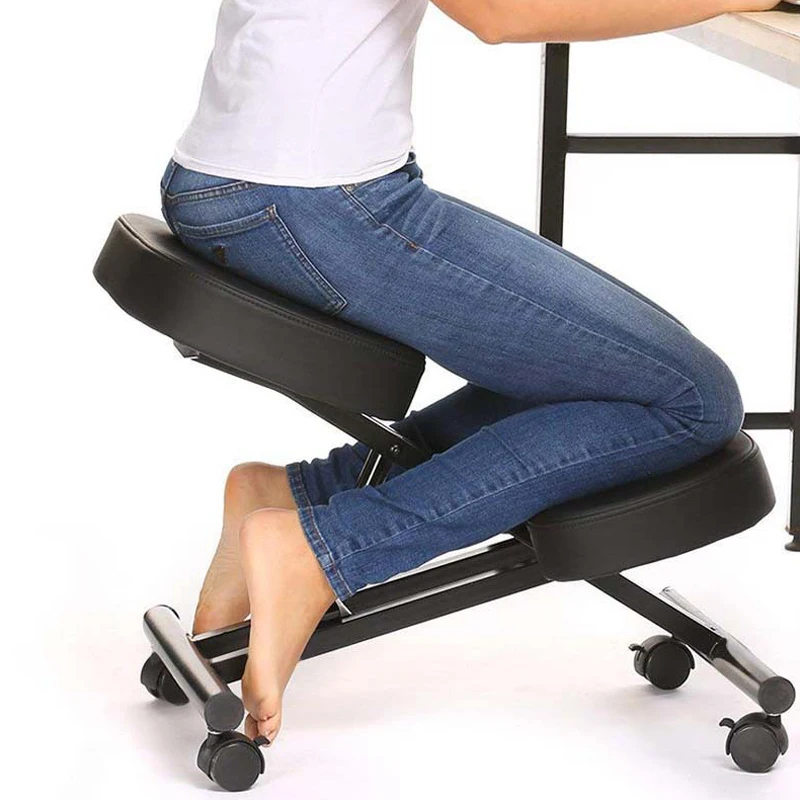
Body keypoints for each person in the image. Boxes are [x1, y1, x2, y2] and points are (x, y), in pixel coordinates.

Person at [159, 0, 779, 746]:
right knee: (692, 397)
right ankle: (325, 547)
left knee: (603, 368)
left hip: (229, 181)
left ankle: (297, 495)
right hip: (313, 201)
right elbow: (502, 12)